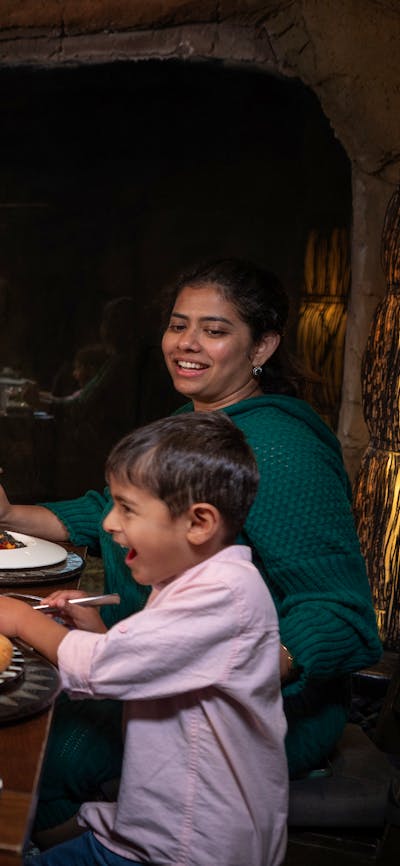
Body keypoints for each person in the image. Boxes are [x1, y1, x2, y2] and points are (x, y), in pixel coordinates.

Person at [0, 257, 382, 835]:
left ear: (264, 346)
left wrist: (243, 674)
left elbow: (342, 612)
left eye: (215, 329)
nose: (188, 343)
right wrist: (10, 514)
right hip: (154, 663)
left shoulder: (279, 448)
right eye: (179, 325)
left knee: (47, 751)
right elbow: (114, 510)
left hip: (252, 712)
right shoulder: (195, 422)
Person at [0, 412, 289, 866]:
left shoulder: (222, 595)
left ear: (198, 523)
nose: (110, 523)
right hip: (164, 828)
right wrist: (100, 632)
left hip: (188, 847)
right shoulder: (202, 578)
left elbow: (100, 669)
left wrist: (19, 618)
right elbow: (159, 660)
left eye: (127, 508)